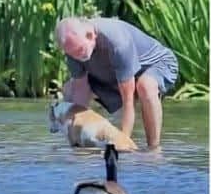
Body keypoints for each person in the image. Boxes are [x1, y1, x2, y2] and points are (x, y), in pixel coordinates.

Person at [55, 15, 179, 149]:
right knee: (69, 89)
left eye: (79, 51)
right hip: (113, 74)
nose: (76, 57)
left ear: (90, 35)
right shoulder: (73, 47)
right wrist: (76, 137)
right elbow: (80, 89)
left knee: (145, 86)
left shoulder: (117, 42)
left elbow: (128, 100)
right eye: (72, 54)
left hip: (157, 64)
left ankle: (154, 150)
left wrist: (121, 143)